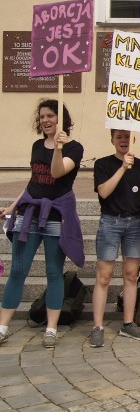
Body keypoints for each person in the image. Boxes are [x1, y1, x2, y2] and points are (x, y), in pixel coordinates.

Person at [0, 99, 84, 349]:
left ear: (61, 118)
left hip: (56, 218)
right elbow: (34, 182)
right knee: (17, 270)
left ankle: (50, 328)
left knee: (53, 273)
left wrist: (59, 147)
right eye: (42, 116)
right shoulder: (37, 145)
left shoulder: (74, 148)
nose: (45, 120)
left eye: (50, 115)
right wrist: (12, 207)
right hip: (30, 215)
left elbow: (57, 172)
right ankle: (3, 326)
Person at [90, 129, 140, 348]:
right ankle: (97, 327)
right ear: (112, 140)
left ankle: (128, 323)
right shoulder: (103, 164)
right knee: (104, 276)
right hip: (110, 223)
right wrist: (122, 168)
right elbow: (104, 192)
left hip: (135, 224)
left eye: (127, 136)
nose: (124, 140)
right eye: (119, 137)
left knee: (131, 275)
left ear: (133, 139)